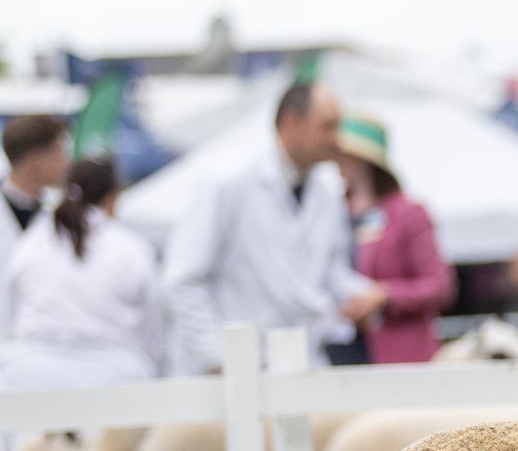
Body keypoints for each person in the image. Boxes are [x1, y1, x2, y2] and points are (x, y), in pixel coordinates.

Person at [162, 82, 376, 374]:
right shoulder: (227, 181)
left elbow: (329, 273)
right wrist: (219, 359)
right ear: (290, 122)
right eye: (327, 126)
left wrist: (362, 295)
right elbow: (182, 279)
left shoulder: (327, 190)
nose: (336, 138)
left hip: (301, 365)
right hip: (227, 377)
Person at [0, 156, 164, 395]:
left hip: (28, 375)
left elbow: (10, 315)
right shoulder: (130, 248)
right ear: (112, 198)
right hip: (114, 378)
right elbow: (154, 329)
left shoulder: (31, 244)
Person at [335, 113, 454, 364]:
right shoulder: (332, 212)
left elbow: (440, 285)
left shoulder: (407, 213)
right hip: (346, 351)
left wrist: (385, 295)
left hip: (400, 355)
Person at [1, 116, 72, 368]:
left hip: (44, 359)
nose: (66, 163)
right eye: (60, 153)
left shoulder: (64, 216)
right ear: (36, 159)